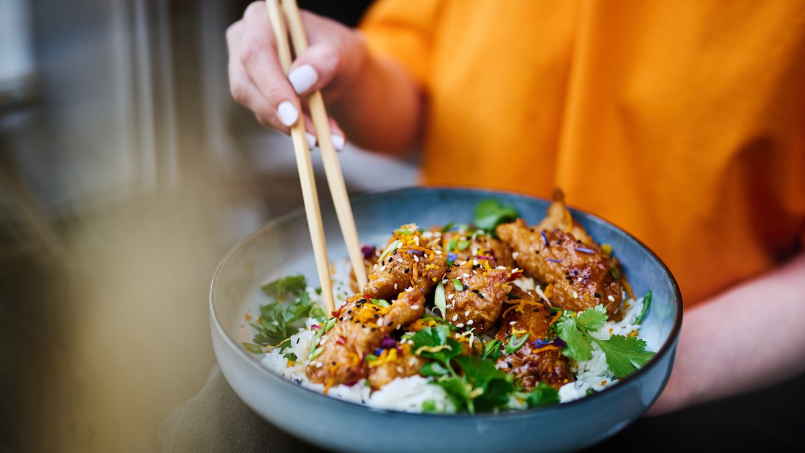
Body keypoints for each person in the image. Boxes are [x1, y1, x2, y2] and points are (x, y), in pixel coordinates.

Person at [225, 0, 805, 414]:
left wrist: (659, 367)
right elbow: (414, 92)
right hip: (448, 268)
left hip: (713, 371)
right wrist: (344, 71)